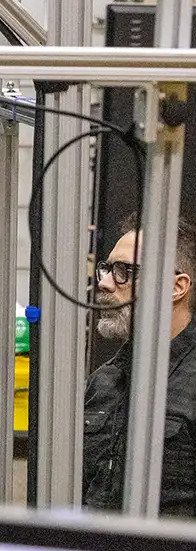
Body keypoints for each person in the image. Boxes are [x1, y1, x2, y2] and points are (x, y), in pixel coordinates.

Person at [81, 217, 196, 515]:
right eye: (107, 269)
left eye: (125, 272)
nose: (104, 283)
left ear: (176, 286)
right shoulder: (104, 381)